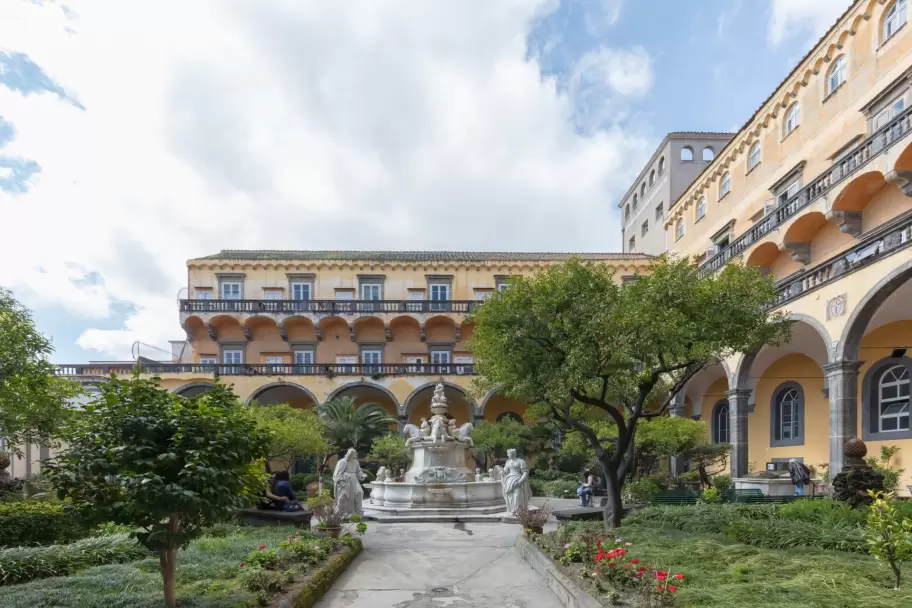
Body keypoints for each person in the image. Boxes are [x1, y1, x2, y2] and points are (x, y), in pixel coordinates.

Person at [333, 448, 366, 515]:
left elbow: (358, 471)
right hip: (346, 480)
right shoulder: (343, 462)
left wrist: (362, 476)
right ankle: (345, 512)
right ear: (350, 454)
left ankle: (358, 511)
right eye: (354, 453)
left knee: (360, 492)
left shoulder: (355, 462)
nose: (356, 454)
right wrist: (340, 481)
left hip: (354, 479)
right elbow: (337, 473)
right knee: (346, 496)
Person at [502, 448, 533, 513]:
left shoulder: (521, 461)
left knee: (517, 495)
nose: (507, 455)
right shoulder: (508, 462)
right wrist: (501, 471)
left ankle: (518, 511)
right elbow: (505, 471)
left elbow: (525, 472)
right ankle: (511, 511)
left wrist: (520, 482)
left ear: (512, 453)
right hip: (509, 481)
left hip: (518, 479)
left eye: (508, 453)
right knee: (510, 497)